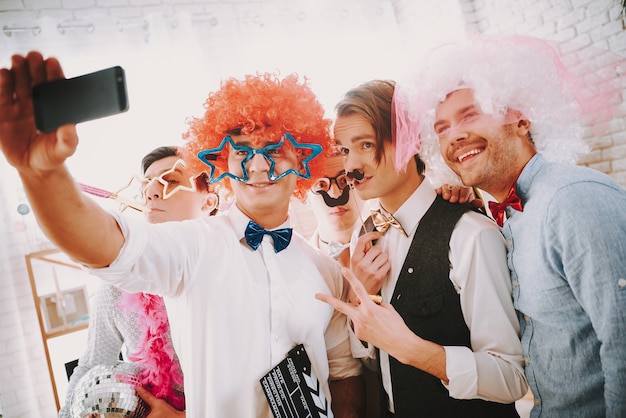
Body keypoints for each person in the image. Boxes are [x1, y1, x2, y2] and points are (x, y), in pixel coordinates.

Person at [0, 52, 364, 417]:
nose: (258, 165)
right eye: (242, 150)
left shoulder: (326, 271)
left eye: (275, 148)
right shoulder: (192, 248)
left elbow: (344, 372)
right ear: (222, 163)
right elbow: (105, 245)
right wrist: (43, 174)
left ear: (302, 158)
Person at [399, 34, 626, 417]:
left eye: (470, 115)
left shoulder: (572, 200)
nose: (454, 135)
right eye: (441, 128)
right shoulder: (507, 214)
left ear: (521, 119)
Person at [316, 79, 529, 417]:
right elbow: (375, 363)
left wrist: (413, 350)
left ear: (408, 140)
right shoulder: (364, 235)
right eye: (344, 150)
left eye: (366, 145)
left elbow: (511, 378)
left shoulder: (471, 235)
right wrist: (358, 304)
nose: (351, 167)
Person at [59, 145, 218, 417]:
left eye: (171, 180)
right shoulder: (120, 284)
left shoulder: (229, 268)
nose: (152, 192)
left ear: (208, 202)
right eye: (147, 184)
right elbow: (91, 364)